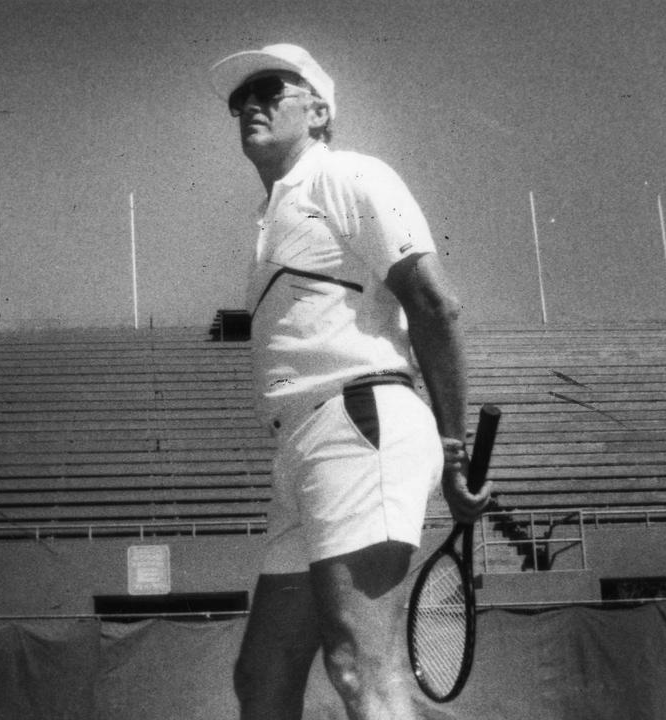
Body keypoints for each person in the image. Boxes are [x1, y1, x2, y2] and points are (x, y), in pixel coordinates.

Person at [208, 43, 493, 720]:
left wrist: (454, 452)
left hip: (358, 424)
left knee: (360, 664)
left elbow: (434, 304)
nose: (250, 103)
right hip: (300, 450)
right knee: (262, 675)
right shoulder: (271, 217)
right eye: (238, 98)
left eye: (271, 88)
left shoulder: (350, 175)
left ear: (320, 111)